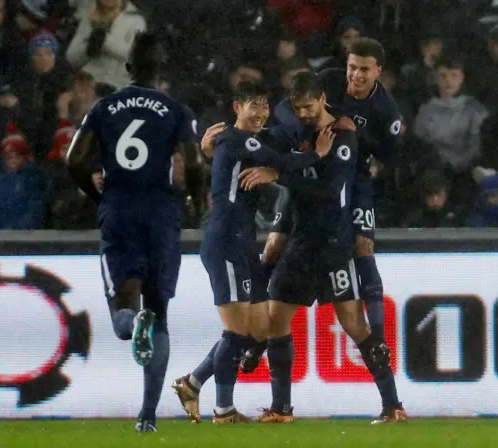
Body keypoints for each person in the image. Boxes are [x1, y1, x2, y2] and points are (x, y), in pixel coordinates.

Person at [244, 37, 406, 424]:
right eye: (352, 66)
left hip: (337, 221)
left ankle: (389, 396)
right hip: (305, 222)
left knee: (355, 299)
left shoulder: (361, 125)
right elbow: (274, 127)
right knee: (275, 285)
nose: (355, 74)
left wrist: (286, 170)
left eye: (364, 69)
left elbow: (370, 169)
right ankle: (280, 400)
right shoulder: (308, 110)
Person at [65, 31, 204, 433]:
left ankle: (132, 322)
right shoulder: (177, 110)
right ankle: (147, 416)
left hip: (120, 209)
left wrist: (97, 197)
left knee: (123, 310)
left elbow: (75, 159)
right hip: (161, 214)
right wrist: (193, 201)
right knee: (159, 315)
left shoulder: (105, 107)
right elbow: (194, 163)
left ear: (128, 68)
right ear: (161, 71)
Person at [171, 81, 333, 424]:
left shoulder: (245, 141)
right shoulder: (234, 138)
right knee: (238, 331)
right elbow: (280, 158)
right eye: (252, 106)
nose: (259, 113)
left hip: (242, 242)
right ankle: (223, 410)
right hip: (226, 241)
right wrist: (316, 154)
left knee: (260, 327)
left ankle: (193, 381)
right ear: (236, 108)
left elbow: (276, 144)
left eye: (264, 105)